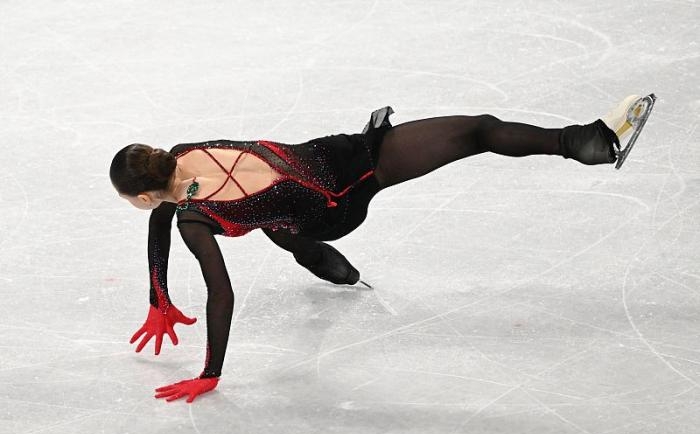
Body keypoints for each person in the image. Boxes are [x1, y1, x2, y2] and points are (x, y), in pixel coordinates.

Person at [110, 95, 655, 403]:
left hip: (338, 197)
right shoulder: (184, 155)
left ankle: (584, 142)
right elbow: (164, 216)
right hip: (341, 160)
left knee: (275, 219)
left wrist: (209, 373)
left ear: (144, 195)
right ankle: (326, 264)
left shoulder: (195, 219)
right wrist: (159, 296)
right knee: (479, 130)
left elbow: (220, 294)